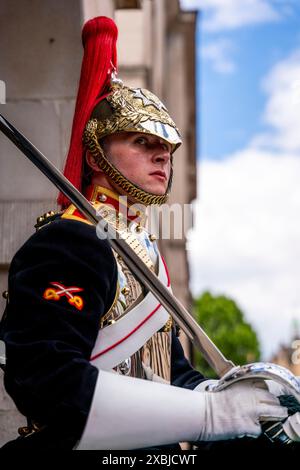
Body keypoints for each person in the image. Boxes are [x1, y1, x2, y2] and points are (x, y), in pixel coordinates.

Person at [0, 16, 297, 451]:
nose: (163, 155)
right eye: (141, 141)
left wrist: (244, 412)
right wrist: (211, 414)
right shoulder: (69, 242)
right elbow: (46, 379)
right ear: (98, 155)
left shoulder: (141, 248)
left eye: (168, 146)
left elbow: (171, 372)